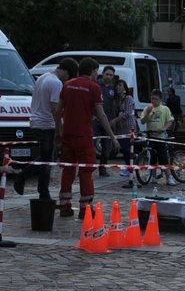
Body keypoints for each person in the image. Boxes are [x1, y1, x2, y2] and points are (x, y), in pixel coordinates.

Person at [58, 58, 117, 218]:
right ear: (91, 71)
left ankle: (64, 205)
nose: (97, 74)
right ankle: (85, 208)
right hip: (83, 135)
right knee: (86, 171)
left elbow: (58, 110)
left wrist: (59, 131)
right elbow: (101, 113)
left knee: (68, 170)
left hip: (68, 135)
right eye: (96, 71)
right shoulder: (94, 87)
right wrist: (112, 136)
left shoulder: (67, 85)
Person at [15, 59, 65, 200]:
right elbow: (55, 108)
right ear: (65, 71)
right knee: (47, 159)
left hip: (38, 122)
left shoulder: (43, 77)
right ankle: (41, 190)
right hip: (46, 125)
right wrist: (59, 128)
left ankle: (37, 187)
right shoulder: (56, 82)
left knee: (48, 157)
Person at [141, 89, 175, 182]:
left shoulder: (165, 109)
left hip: (160, 137)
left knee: (163, 157)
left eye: (156, 99)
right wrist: (147, 113)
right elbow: (142, 121)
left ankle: (169, 177)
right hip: (151, 135)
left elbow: (170, 120)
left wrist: (164, 128)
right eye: (152, 99)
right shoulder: (147, 108)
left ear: (160, 99)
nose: (153, 101)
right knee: (152, 157)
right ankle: (153, 175)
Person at [112, 79, 138, 184]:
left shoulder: (128, 98)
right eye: (117, 85)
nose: (118, 87)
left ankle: (136, 157)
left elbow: (127, 113)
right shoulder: (117, 100)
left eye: (120, 85)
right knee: (123, 148)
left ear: (124, 88)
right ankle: (128, 168)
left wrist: (115, 120)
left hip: (128, 126)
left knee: (128, 148)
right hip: (120, 128)